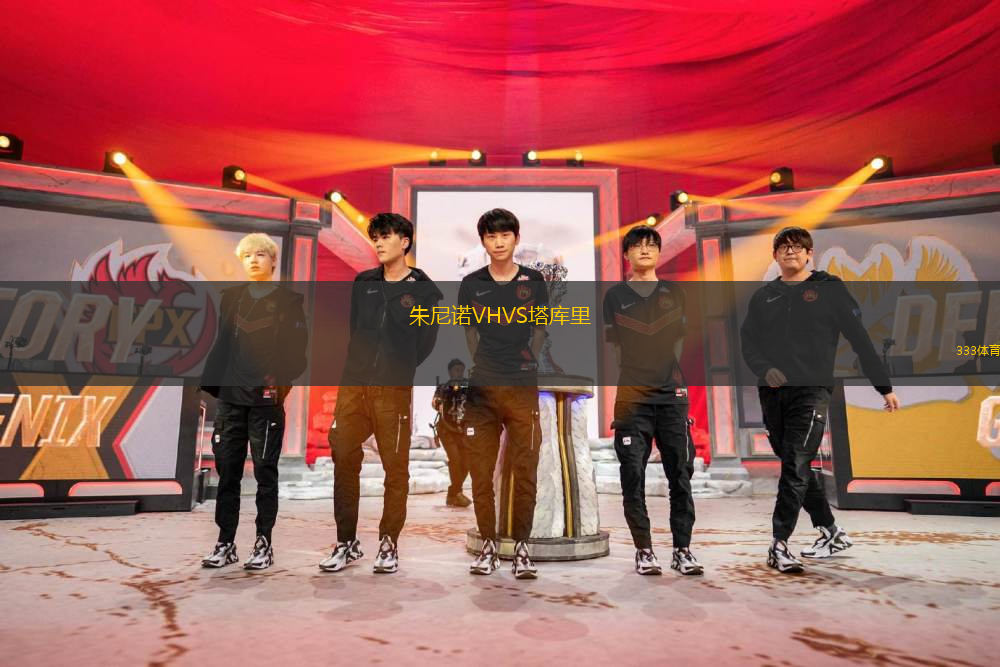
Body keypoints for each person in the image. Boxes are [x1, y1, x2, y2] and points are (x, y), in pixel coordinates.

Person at [740, 226, 901, 574]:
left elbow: (859, 339)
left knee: (797, 463)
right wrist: (765, 369)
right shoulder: (764, 297)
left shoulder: (830, 289)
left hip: (812, 391)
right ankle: (831, 532)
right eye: (783, 247)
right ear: (774, 256)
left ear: (810, 253)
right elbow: (748, 342)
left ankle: (779, 543)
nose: (790, 252)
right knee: (793, 464)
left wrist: (883, 386)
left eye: (797, 247)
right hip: (772, 394)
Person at [321, 213, 442, 575]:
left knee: (395, 469)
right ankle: (346, 542)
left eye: (385, 236)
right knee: (344, 459)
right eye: (375, 237)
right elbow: (355, 330)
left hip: (392, 391)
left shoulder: (424, 290)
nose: (378, 243)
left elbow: (425, 342)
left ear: (404, 242)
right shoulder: (364, 283)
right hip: (353, 387)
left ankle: (389, 542)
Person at [200, 233, 308, 570]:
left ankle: (264, 543)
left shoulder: (289, 302)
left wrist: (278, 384)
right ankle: (225, 543)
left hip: (266, 402)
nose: (253, 260)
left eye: (260, 254)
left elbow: (297, 353)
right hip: (231, 401)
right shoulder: (231, 298)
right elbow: (222, 343)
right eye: (247, 255)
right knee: (227, 474)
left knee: (265, 473)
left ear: (273, 261)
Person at [602, 226, 702, 576]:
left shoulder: (675, 292)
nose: (644, 250)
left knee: (681, 475)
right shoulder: (615, 296)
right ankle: (644, 550)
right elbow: (615, 347)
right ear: (626, 255)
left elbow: (678, 342)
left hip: (672, 395)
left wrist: (664, 373)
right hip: (632, 397)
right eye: (637, 246)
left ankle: (682, 550)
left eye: (651, 245)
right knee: (632, 474)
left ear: (659, 253)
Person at [457, 208, 547, 579]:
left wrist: (525, 361)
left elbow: (539, 330)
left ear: (516, 239)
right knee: (481, 473)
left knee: (525, 469)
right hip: (482, 389)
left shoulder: (534, 281)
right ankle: (489, 546)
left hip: (522, 387)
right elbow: (469, 332)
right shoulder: (471, 283)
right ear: (483, 241)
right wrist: (484, 363)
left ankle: (522, 547)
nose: (498, 242)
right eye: (491, 236)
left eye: (505, 235)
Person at [431, 358, 472, 507]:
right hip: (446, 429)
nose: (459, 373)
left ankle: (453, 494)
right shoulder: (444, 387)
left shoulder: (468, 387)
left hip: (462, 431)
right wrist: (441, 400)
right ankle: (457, 493)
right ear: (450, 371)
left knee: (466, 462)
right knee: (455, 459)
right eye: (456, 370)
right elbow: (434, 403)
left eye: (461, 370)